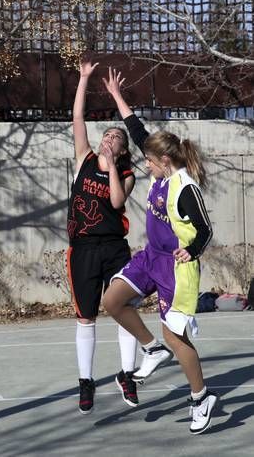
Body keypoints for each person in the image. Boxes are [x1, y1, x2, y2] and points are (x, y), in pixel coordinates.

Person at [102, 67, 218, 435]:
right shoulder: (160, 172)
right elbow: (138, 134)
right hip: (151, 257)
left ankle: (201, 398)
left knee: (176, 337)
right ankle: (151, 349)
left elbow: (205, 227)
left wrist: (193, 249)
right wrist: (117, 96)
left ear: (164, 162)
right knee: (112, 301)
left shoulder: (184, 187)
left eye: (150, 161)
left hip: (176, 269)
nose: (146, 165)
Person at [67, 60, 172, 415]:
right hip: (82, 248)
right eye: (107, 135)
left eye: (116, 138)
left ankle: (127, 374)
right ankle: (86, 382)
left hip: (113, 248)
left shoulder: (125, 172)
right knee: (85, 317)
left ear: (123, 150)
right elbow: (78, 118)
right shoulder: (83, 158)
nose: (110, 139)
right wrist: (83, 79)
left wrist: (112, 165)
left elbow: (115, 201)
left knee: (123, 307)